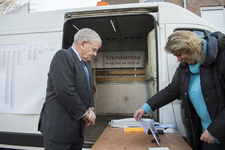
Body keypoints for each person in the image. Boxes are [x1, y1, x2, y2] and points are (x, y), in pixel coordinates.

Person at [133, 30, 225, 150]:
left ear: (191, 47)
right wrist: (145, 108)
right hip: (206, 133)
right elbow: (171, 90)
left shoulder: (221, 58)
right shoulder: (185, 67)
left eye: (179, 54)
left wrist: (214, 131)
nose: (178, 59)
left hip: (217, 132)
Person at [38, 28, 102, 150]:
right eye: (94, 50)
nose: (95, 54)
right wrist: (84, 114)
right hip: (59, 130)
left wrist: (90, 107)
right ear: (83, 44)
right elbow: (65, 90)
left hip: (77, 131)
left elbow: (89, 90)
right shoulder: (63, 56)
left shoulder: (86, 65)